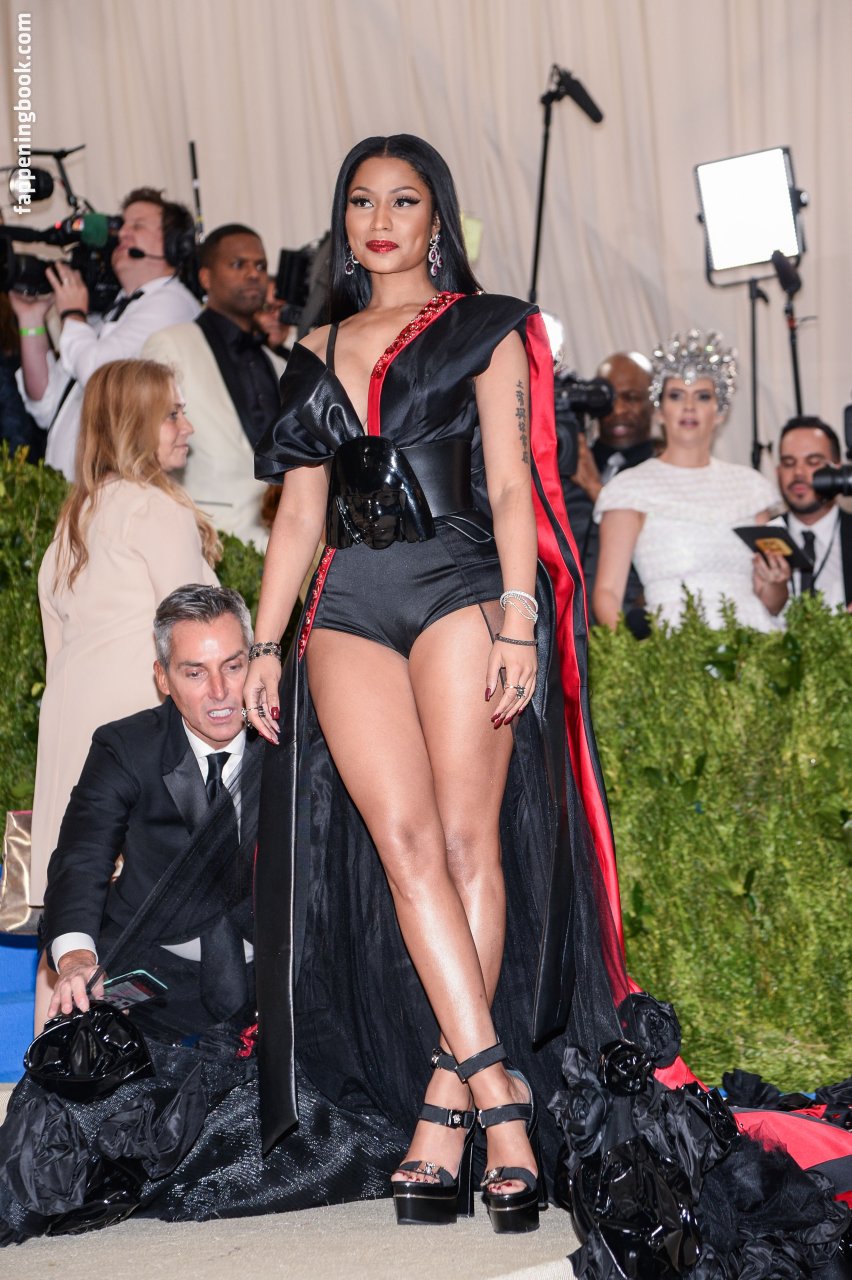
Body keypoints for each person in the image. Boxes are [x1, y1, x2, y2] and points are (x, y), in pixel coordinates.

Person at [245, 133, 628, 1234]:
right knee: (405, 848)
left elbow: (512, 487)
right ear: (344, 221)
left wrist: (520, 613)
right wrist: (265, 643)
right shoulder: (311, 348)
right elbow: (299, 515)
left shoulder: (484, 325)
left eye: (403, 200)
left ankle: (448, 1105)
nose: (380, 220)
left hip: (459, 587)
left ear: (437, 218)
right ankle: (499, 1092)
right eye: (362, 201)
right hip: (346, 606)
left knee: (468, 847)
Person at [30, 359, 220, 937]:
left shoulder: (72, 522)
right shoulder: (155, 509)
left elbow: (57, 654)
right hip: (137, 748)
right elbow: (199, 643)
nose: (187, 427)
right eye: (172, 414)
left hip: (71, 742)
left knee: (70, 926)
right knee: (140, 934)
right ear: (136, 424)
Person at [42, 585, 262, 1034]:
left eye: (233, 666)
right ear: (163, 678)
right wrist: (78, 958)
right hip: (149, 972)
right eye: (195, 673)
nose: (220, 691)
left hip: (276, 973)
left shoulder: (291, 744)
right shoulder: (125, 748)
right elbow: (82, 858)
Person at [593, 330, 779, 632]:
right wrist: (633, 656)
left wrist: (777, 582)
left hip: (753, 640)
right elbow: (607, 593)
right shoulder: (629, 489)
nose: (689, 407)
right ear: (660, 411)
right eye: (676, 395)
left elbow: (771, 600)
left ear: (720, 411)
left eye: (703, 396)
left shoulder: (753, 488)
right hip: (673, 647)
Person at [11, 187, 200, 478]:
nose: (122, 233)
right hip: (73, 489)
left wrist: (73, 314)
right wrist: (31, 320)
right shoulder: (116, 310)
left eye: (137, 226)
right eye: (123, 225)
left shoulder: (173, 303)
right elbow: (45, 404)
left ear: (174, 246)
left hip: (116, 488)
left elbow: (99, 375)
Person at [143, 224, 286, 549]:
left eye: (260, 265)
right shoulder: (170, 344)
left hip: (280, 542)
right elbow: (149, 452)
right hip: (204, 536)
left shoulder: (278, 363)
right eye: (238, 264)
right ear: (206, 278)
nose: (253, 274)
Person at [560, 351, 655, 625]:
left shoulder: (665, 471)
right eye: (609, 398)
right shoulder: (568, 462)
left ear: (653, 403)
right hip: (565, 629)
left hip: (631, 630)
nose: (619, 410)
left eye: (631, 398)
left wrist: (596, 489)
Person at [752, 416, 852, 615]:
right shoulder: (761, 537)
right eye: (789, 463)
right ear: (778, 472)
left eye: (813, 462)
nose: (798, 472)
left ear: (837, 469)